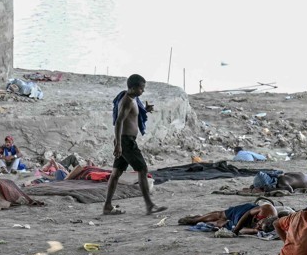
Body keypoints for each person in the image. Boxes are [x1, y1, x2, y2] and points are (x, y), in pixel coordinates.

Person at [104, 74, 166, 216]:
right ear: (132, 88)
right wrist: (119, 144)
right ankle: (149, 205)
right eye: (141, 88)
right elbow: (119, 121)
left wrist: (145, 109)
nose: (143, 91)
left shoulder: (133, 99)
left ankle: (107, 206)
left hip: (126, 140)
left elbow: (131, 116)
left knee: (116, 173)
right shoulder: (127, 101)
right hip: (126, 141)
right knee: (142, 169)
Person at [178, 201, 277, 235]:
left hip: (247, 224)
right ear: (266, 217)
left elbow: (243, 230)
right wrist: (237, 229)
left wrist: (254, 230)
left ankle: (214, 223)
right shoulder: (267, 209)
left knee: (222, 224)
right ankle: (195, 220)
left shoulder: (262, 228)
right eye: (260, 223)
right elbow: (248, 214)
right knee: (221, 214)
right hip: (245, 212)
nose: (259, 225)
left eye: (260, 227)